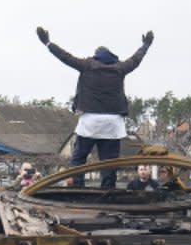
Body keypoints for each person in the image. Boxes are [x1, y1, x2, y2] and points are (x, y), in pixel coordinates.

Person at [36, 26, 154, 189]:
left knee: (78, 159)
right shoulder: (120, 68)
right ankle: (108, 191)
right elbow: (136, 59)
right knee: (109, 162)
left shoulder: (87, 65)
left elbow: (65, 57)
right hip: (113, 123)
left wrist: (48, 43)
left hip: (90, 121)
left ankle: (77, 188)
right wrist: (146, 45)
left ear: (96, 56)